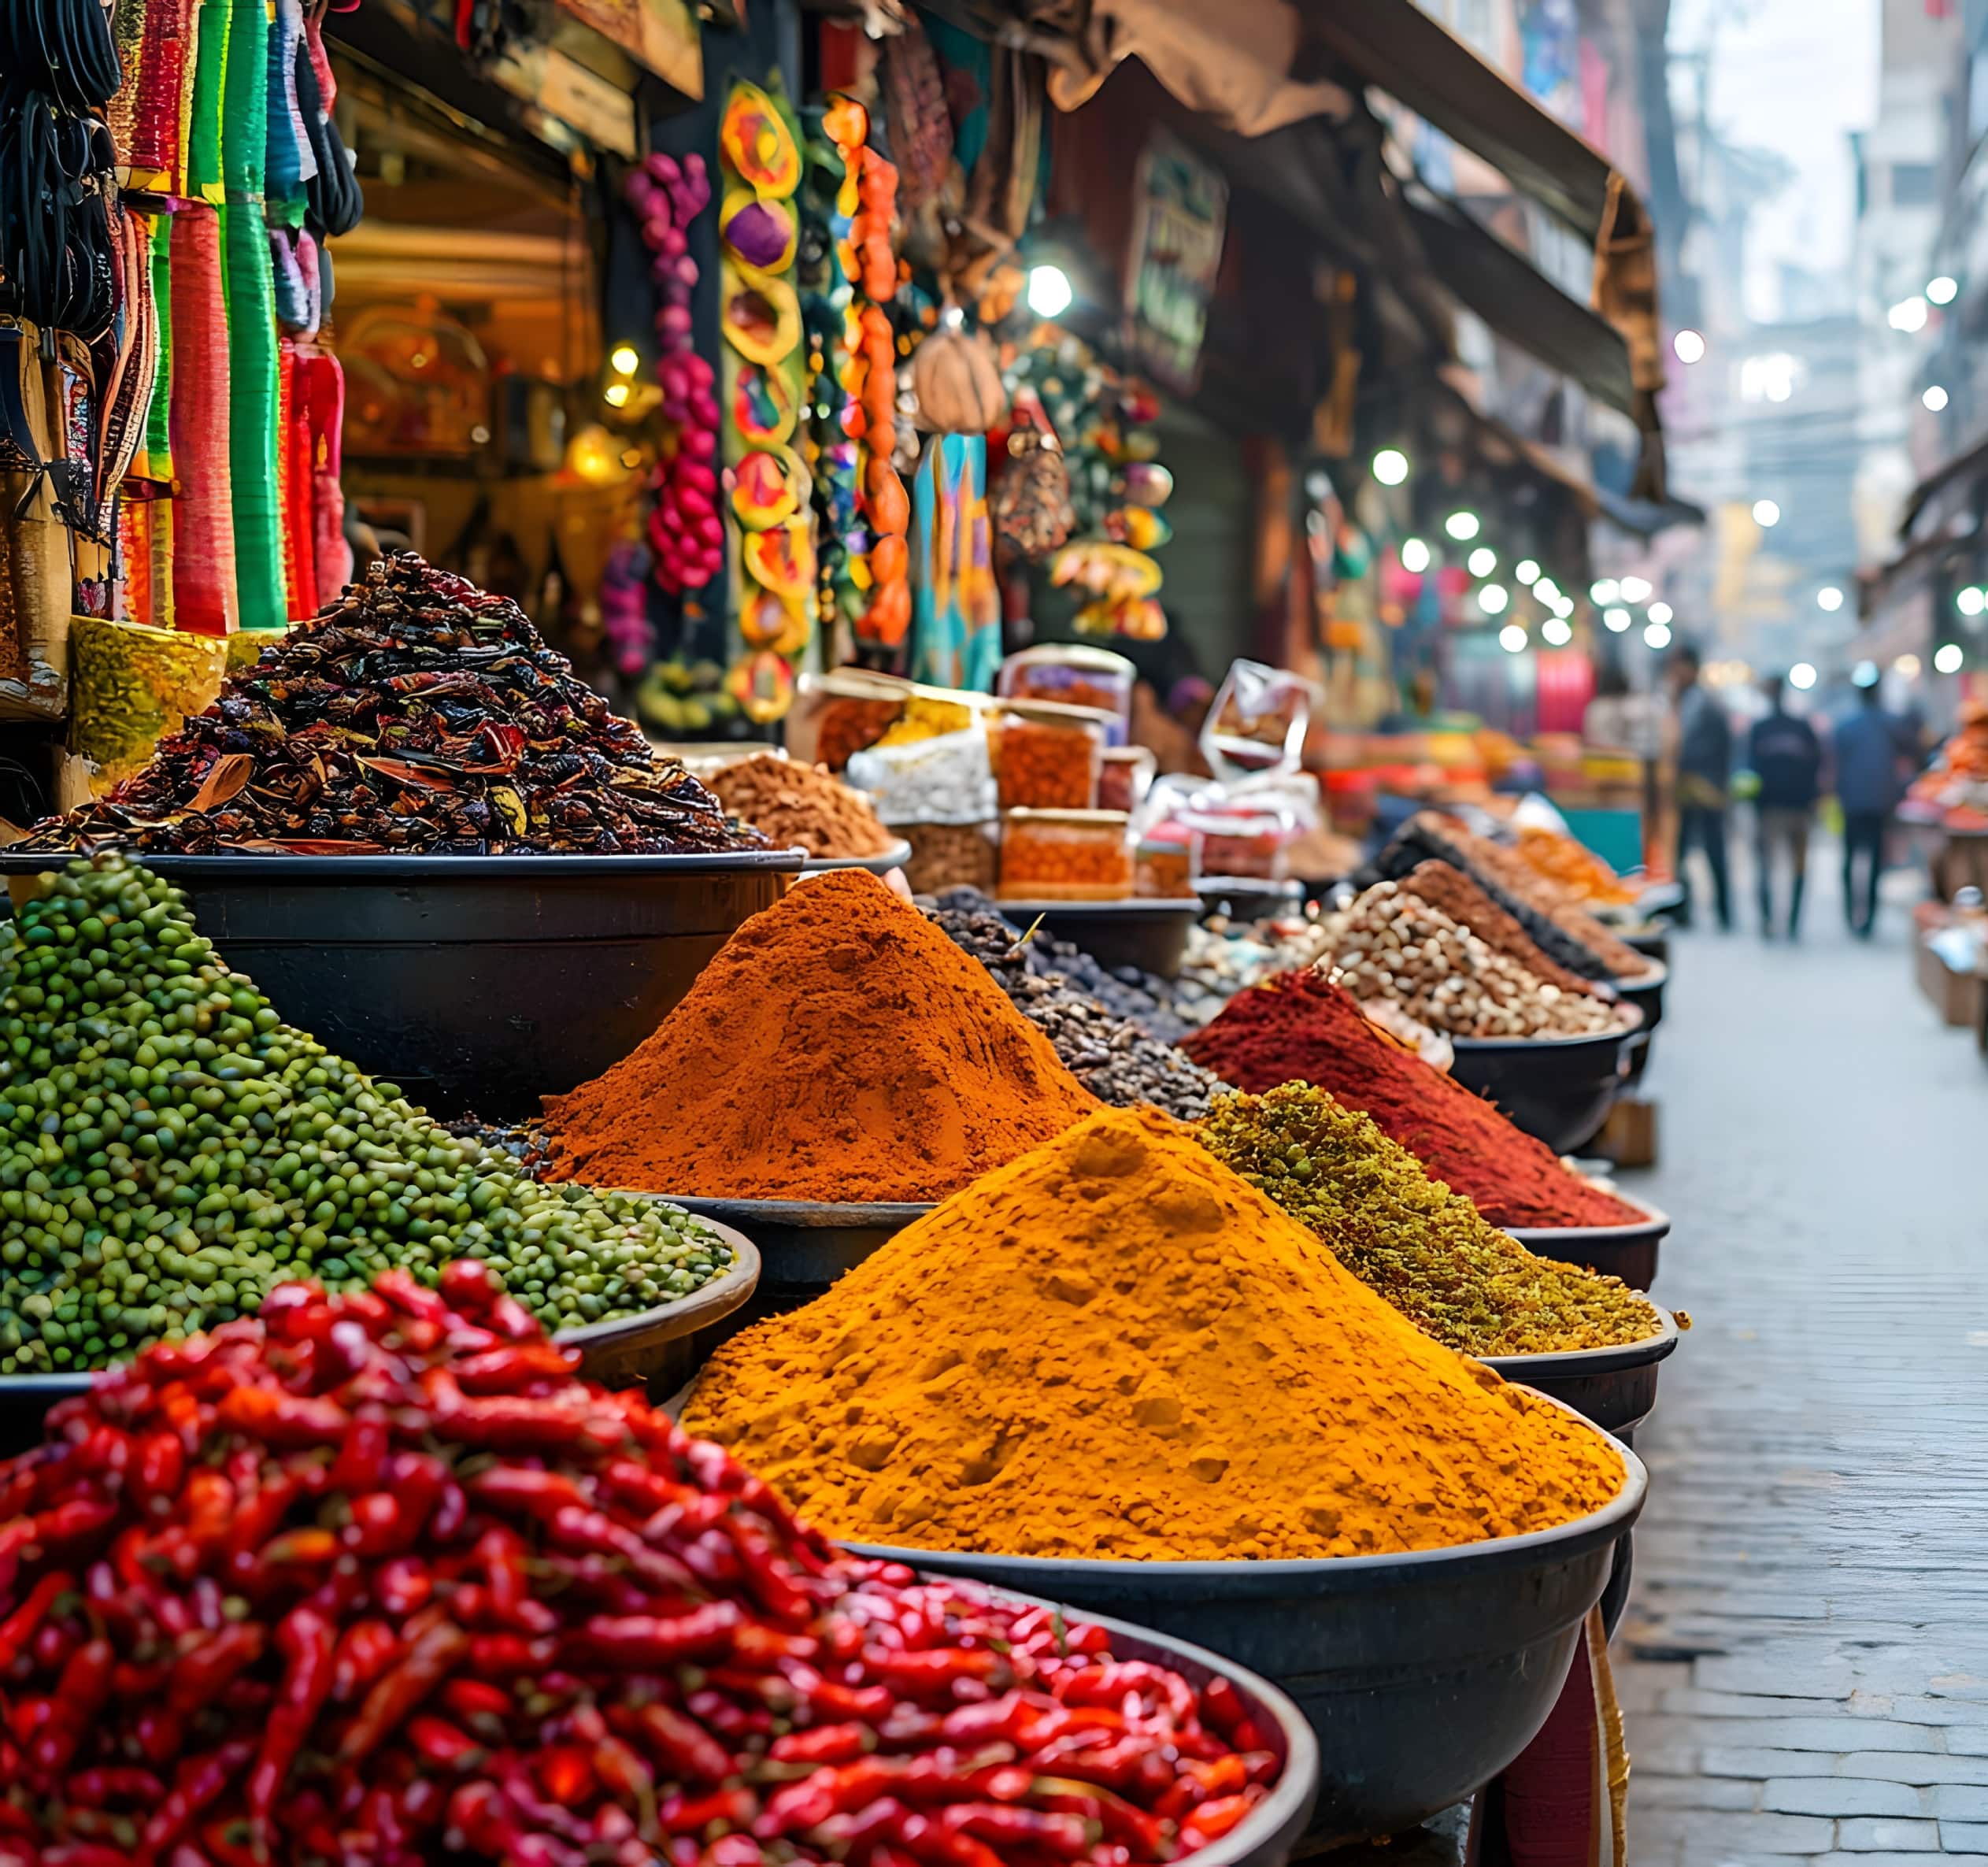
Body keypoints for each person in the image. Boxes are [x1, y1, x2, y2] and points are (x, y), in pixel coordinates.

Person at [1747, 673, 1823, 939]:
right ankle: (1776, 922)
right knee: (1772, 868)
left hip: (1786, 809)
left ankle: (1787, 922)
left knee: (1788, 868)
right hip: (1780, 808)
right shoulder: (1768, 728)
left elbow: (1817, 766)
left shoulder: (1785, 728)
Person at [1834, 672, 1909, 938]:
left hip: (1853, 802)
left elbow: (1835, 765)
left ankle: (1852, 914)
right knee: (1875, 860)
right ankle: (1868, 919)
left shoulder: (1846, 726)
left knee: (1851, 860)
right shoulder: (1890, 724)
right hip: (1879, 802)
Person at [1667, 643, 1734, 930]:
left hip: (1706, 787)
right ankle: (1684, 909)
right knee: (1682, 851)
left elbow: (1721, 745)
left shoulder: (1705, 703)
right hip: (1685, 787)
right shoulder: (1681, 700)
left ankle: (1723, 911)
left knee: (1712, 850)